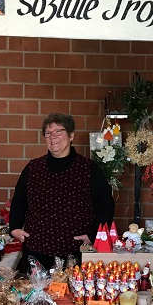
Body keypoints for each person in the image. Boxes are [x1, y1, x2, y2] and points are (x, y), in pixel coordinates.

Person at [9, 112, 114, 271]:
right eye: (48, 133)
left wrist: (93, 235)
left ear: (71, 135)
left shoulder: (88, 169)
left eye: (59, 131)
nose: (53, 136)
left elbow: (106, 206)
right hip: (36, 253)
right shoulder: (33, 168)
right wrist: (14, 228)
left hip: (75, 255)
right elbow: (18, 201)